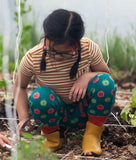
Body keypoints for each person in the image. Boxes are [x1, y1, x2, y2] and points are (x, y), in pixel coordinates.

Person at [13, 9, 117, 156]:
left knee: (105, 83)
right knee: (39, 96)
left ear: (76, 44)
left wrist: (86, 77)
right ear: (46, 38)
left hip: (85, 112)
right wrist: (23, 117)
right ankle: (53, 139)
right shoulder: (32, 57)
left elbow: (107, 76)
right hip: (55, 117)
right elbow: (19, 86)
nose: (58, 58)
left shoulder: (88, 48)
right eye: (52, 51)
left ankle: (92, 136)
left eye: (65, 53)